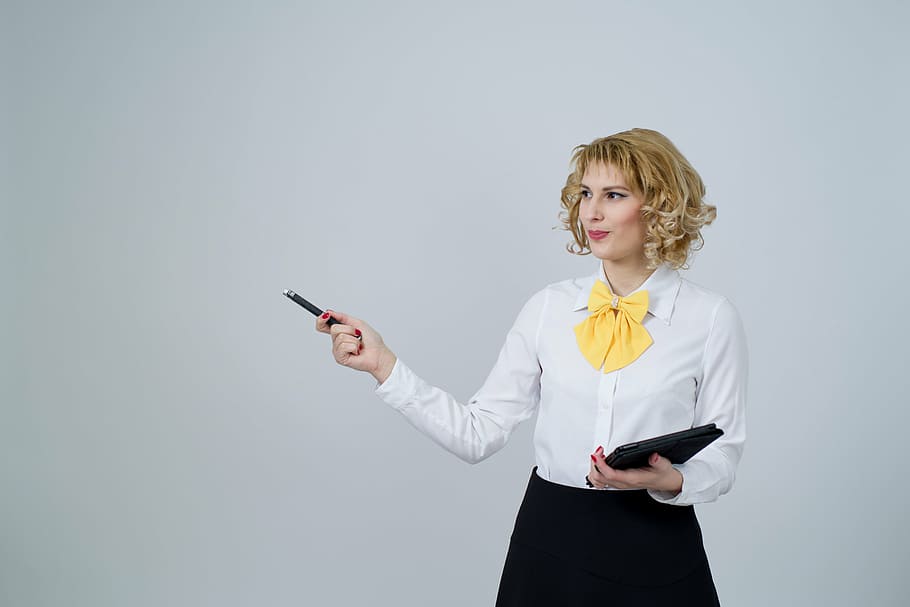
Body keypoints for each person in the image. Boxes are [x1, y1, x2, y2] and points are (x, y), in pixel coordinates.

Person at [315, 128, 748, 606]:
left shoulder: (710, 318)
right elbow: (478, 434)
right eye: (585, 193)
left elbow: (723, 452)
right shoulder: (549, 308)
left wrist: (671, 480)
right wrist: (383, 365)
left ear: (660, 206)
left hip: (658, 544)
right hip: (552, 542)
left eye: (614, 195)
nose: (592, 212)